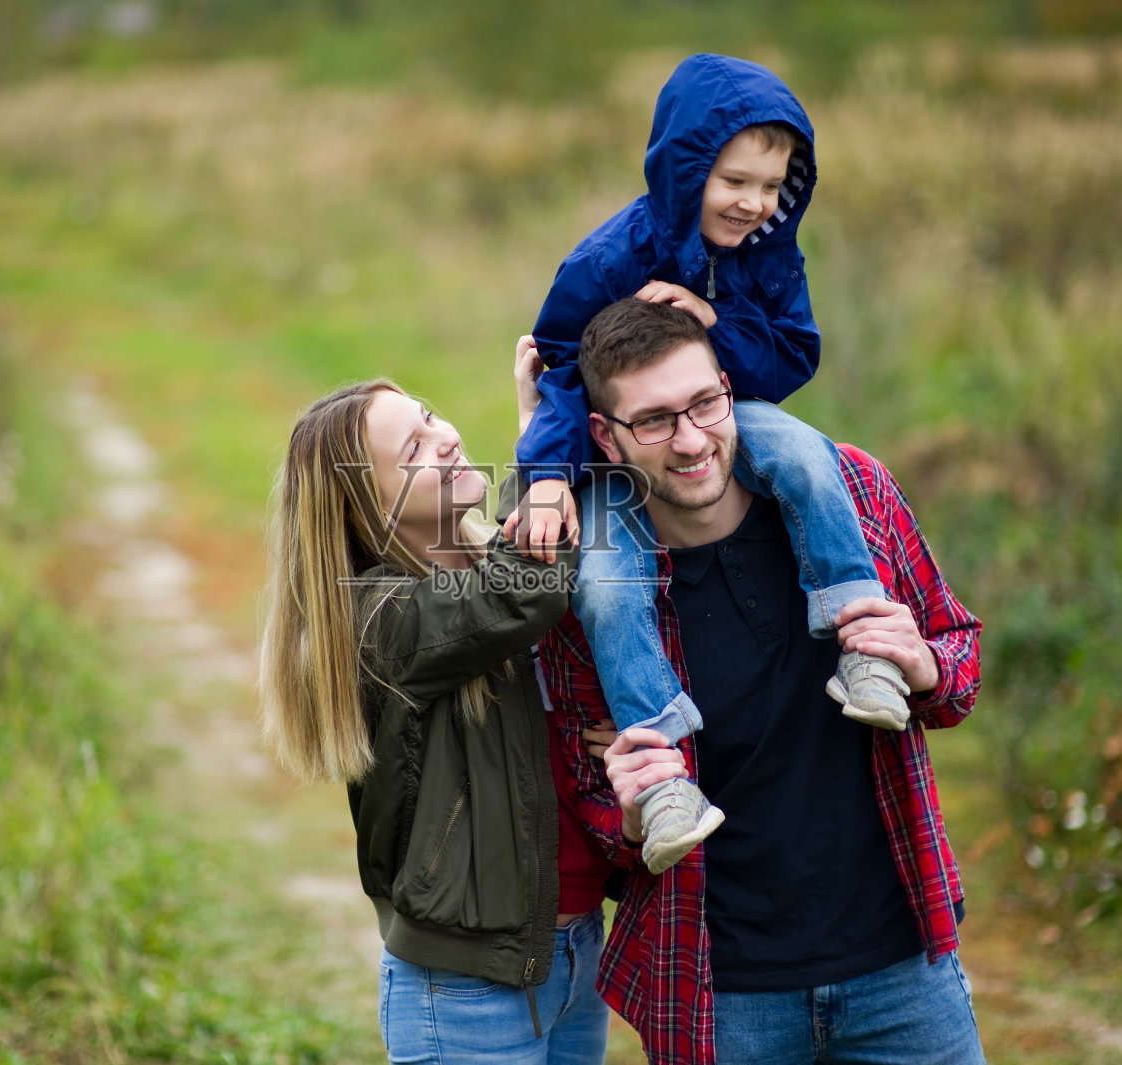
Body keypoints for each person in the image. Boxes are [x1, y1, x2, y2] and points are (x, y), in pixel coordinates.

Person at [540, 298, 987, 1065]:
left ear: (728, 387)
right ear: (604, 437)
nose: (690, 440)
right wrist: (631, 812)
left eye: (704, 404)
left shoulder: (854, 492)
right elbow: (593, 803)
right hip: (720, 992)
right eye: (654, 420)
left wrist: (925, 666)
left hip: (903, 968)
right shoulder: (592, 589)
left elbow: (959, 660)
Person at [505, 53, 909, 876]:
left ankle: (862, 636)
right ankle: (662, 779)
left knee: (805, 453)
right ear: (686, 168)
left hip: (730, 409)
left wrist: (716, 322)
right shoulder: (610, 259)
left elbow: (794, 355)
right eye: (735, 180)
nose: (755, 202)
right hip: (611, 446)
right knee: (608, 581)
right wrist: (546, 476)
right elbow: (557, 368)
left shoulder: (768, 250)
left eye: (774, 185)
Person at [258, 359, 615, 1064]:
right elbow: (525, 592)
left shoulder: (485, 562)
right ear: (367, 507)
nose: (444, 438)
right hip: (465, 990)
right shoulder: (375, 618)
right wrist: (542, 450)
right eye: (413, 451)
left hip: (575, 954)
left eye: (427, 417)